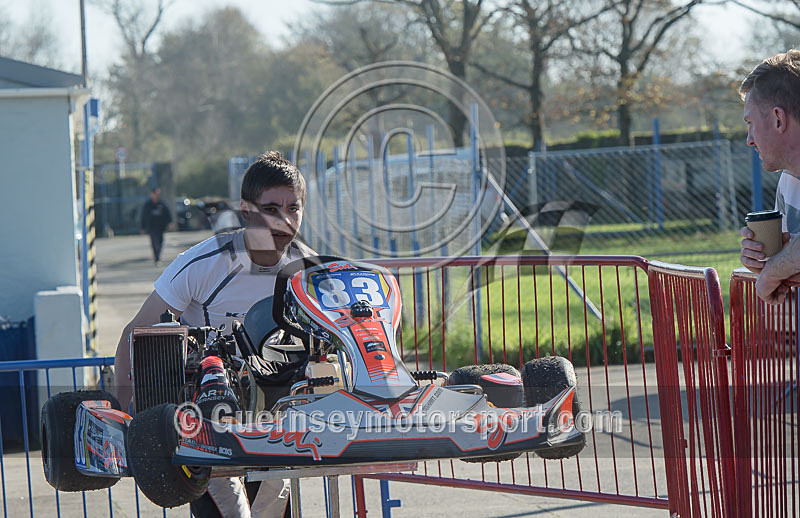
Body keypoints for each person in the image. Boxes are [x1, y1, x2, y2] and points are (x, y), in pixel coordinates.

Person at [115, 152, 314, 517]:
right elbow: (135, 334)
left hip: (278, 421)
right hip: (207, 420)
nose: (285, 220)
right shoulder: (204, 262)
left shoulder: (309, 270)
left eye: (294, 208)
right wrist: (131, 417)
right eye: (272, 208)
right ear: (246, 210)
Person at [737, 50, 800, 304]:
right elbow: (789, 257)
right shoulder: (788, 181)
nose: (749, 140)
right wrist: (763, 259)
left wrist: (773, 272)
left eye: (750, 123)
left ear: (777, 119)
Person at [140, 187, 173, 265]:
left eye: (158, 194)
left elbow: (167, 214)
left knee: (160, 241)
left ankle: (158, 255)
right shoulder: (147, 205)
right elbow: (143, 216)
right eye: (155, 194)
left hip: (160, 227)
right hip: (151, 227)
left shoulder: (162, 204)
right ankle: (157, 258)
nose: (156, 195)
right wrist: (142, 227)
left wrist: (170, 222)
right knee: (154, 242)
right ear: (151, 194)